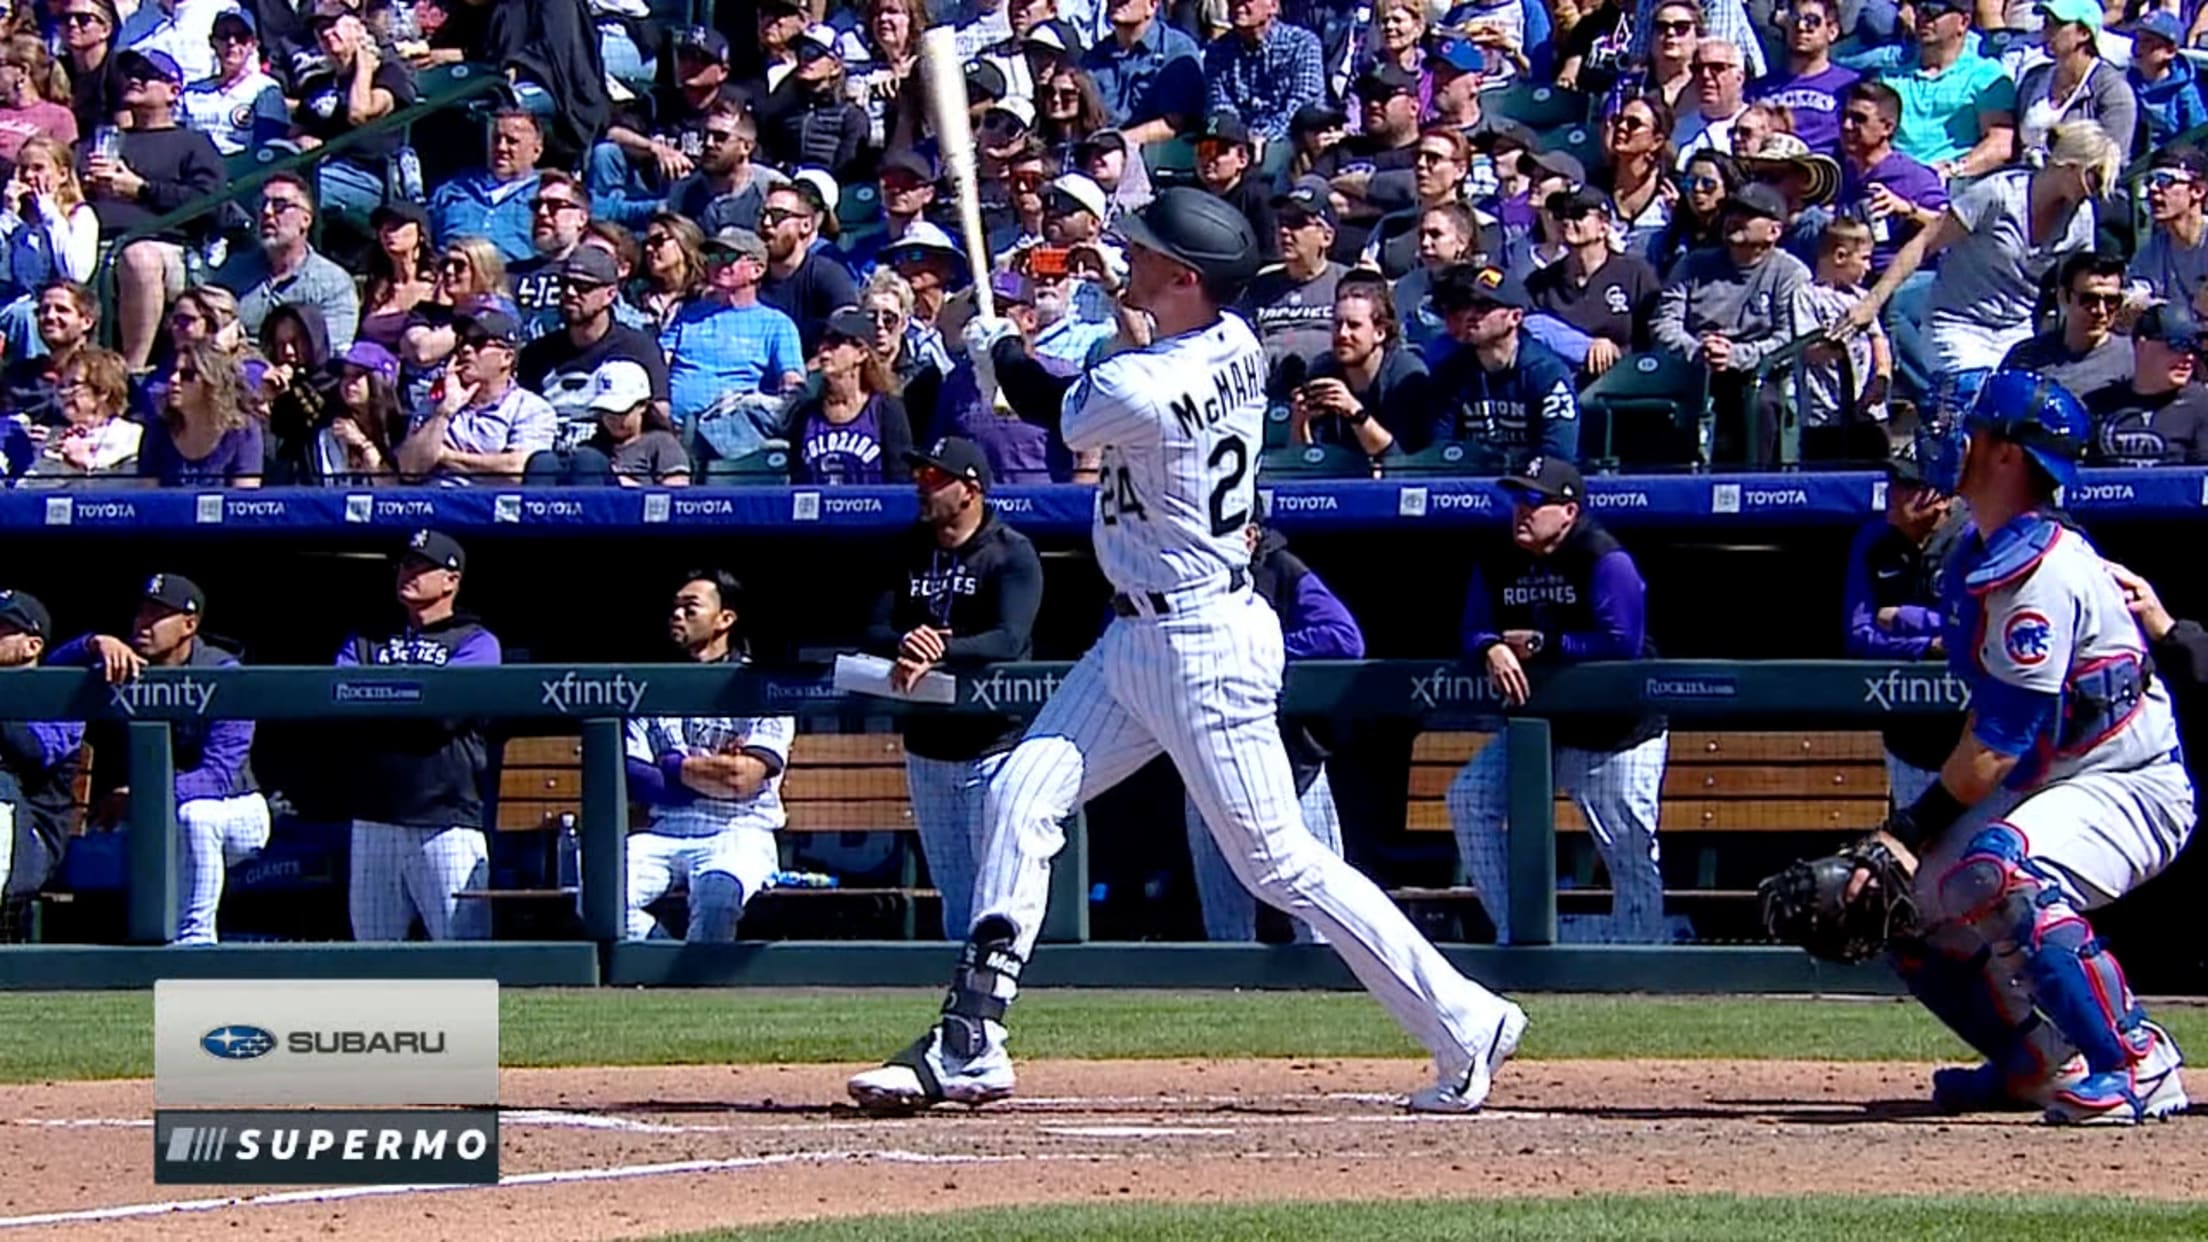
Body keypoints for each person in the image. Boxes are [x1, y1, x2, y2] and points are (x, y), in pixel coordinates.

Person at [846, 187, 1526, 1116]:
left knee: (1279, 864)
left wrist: (998, 348)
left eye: (1146, 253)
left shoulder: (1146, 383)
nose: (1129, 257)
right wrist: (1024, 346)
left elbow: (1052, 403)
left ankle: (1464, 1019)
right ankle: (972, 1036)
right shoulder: (1236, 343)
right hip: (1136, 635)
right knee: (1018, 795)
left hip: (1201, 641)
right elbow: (1106, 374)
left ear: (1185, 278)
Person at [1857, 371, 2191, 1124]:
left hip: (2130, 780)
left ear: (2009, 455)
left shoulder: (2039, 573)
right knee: (1898, 906)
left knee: (2001, 871)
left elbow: (1999, 744)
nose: (1956, 439)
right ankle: (2032, 1060)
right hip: (2059, 777)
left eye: (1975, 429)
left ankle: (2138, 1059)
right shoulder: (1982, 545)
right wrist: (1898, 857)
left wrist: (1903, 832)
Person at [1446, 455, 1669, 945]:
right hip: (1538, 730)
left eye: (1534, 501)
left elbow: (1622, 645)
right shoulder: (1498, 556)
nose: (1520, 512)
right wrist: (1489, 646)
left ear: (1568, 511)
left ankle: (1645, 956)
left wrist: (1550, 645)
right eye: (1516, 501)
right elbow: (1472, 627)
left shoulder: (1603, 556)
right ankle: (1516, 933)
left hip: (1616, 734)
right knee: (1469, 797)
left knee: (1628, 853)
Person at [863, 438, 1043, 937]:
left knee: (997, 894)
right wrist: (906, 640)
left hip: (993, 747)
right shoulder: (905, 549)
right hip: (927, 748)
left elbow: (1009, 638)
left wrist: (939, 648)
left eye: (935, 478)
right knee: (956, 897)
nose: (921, 486)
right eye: (919, 476)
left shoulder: (1009, 551)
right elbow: (872, 629)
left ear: (970, 490)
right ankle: (963, 1004)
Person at [50, 574, 267, 945]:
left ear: (189, 624)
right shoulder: (127, 663)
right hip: (157, 811)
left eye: (157, 614)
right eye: (141, 612)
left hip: (237, 811)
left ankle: (196, 942)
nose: (143, 623)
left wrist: (143, 794)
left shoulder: (224, 673)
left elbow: (216, 777)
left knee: (196, 816)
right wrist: (93, 643)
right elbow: (50, 673)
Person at [1182, 506, 1360, 943]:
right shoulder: (1184, 574)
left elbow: (1343, 637)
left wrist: (1263, 646)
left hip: (1291, 759)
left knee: (1321, 914)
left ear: (1252, 533)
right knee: (1226, 926)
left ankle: (1326, 991)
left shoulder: (1281, 568)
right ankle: (1227, 991)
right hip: (1209, 754)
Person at [1842, 123, 2114, 384]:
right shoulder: (1997, 194)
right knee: (1975, 397)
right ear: (2069, 164)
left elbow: (2081, 281)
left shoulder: (2082, 218)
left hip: (2017, 331)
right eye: (2095, 179)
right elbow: (1925, 243)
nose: (2099, 191)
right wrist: (1871, 303)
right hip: (1958, 324)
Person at [338, 530, 499, 942]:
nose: (408, 573)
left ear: (451, 579)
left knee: (463, 957)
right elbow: (342, 702)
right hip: (375, 818)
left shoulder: (476, 641)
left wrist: (381, 700)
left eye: (421, 566)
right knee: (373, 959)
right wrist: (409, 698)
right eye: (405, 564)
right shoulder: (366, 639)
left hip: (445, 820)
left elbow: (443, 715)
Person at [624, 570, 793, 942]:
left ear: (725, 620)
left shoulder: (762, 686)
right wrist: (708, 773)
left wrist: (671, 765)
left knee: (718, 899)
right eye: (675, 607)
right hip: (666, 830)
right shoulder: (654, 686)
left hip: (739, 828)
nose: (677, 615)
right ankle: (667, 965)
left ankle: (690, 987)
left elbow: (741, 779)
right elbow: (638, 777)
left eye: (691, 607)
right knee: (598, 898)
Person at [1653, 182, 1816, 462]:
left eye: (1748, 214)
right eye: (1731, 212)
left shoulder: (1790, 273)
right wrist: (1698, 350)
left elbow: (1790, 337)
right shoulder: (1692, 265)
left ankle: (1757, 489)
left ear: (1774, 231)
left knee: (1761, 405)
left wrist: (1736, 356)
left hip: (1759, 373)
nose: (1734, 220)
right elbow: (1664, 322)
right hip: (1693, 367)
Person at [88, 47, 225, 372]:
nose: (134, 79)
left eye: (147, 75)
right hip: (94, 242)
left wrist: (140, 189)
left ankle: (131, 372)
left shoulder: (193, 142)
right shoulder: (104, 141)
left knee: (139, 256)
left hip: (165, 247)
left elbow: (209, 203)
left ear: (174, 90)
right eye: (130, 74)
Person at [1842, 454, 1959, 808]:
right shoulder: (1874, 541)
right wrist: (1927, 646)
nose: (1894, 494)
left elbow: (1981, 628)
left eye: (1909, 486)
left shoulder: (1975, 540)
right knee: (1921, 856)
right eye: (1894, 484)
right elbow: (1859, 638)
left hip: (1977, 737)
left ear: (1942, 497)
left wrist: (1907, 618)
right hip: (1908, 742)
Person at [660, 226, 805, 455]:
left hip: (730, 431)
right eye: (714, 256)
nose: (719, 263)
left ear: (757, 269)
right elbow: (660, 364)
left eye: (728, 257)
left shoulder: (776, 324)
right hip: (671, 429)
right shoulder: (688, 315)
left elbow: (792, 385)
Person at [1425, 264, 1580, 463]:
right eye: (1465, 305)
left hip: (1532, 485)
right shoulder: (1451, 373)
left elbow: (1559, 453)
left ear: (1515, 317)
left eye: (1484, 307)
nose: (1471, 315)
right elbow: (1439, 449)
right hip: (1470, 485)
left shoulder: (1547, 373)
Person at [289, 2, 415, 222]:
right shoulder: (316, 82)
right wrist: (303, 139)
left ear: (358, 27)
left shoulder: (388, 73)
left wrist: (363, 67)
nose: (327, 33)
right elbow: (295, 132)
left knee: (293, 195)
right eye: (320, 30)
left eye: (333, 24)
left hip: (369, 175)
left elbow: (360, 114)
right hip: (320, 169)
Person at [0, 590, 81, 916]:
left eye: (2, 627)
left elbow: (33, 752)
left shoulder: (60, 700)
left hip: (32, 843)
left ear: (32, 645)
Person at [1525, 186, 1657, 380]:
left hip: (1625, 379)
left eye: (1578, 214)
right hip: (1564, 381)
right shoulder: (1541, 282)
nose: (1568, 222)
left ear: (1603, 225)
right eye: (1561, 215)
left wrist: (1612, 350)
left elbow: (1652, 334)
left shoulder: (1634, 272)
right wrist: (1588, 346)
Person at [225, 171, 361, 352]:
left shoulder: (333, 283)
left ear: (305, 220)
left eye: (280, 205)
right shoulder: (235, 270)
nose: (266, 212)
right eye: (262, 204)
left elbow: (330, 352)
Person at [1879, 0, 2013, 181]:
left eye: (1934, 11)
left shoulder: (1986, 75)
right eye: (1920, 9)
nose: (1924, 17)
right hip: (1894, 179)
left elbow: (1999, 145)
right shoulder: (1890, 78)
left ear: (1963, 22)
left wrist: (1951, 170)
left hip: (1956, 181)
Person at [1290, 278, 1429, 452]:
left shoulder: (1405, 375)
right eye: (1338, 324)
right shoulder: (1323, 370)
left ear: (1379, 333)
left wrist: (1355, 412)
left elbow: (1402, 459)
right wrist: (1300, 421)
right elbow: (1308, 459)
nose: (1342, 334)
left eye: (1354, 325)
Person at [785, 307, 915, 485]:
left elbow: (900, 479)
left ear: (861, 353)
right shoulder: (805, 415)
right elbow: (797, 480)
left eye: (835, 342)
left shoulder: (886, 410)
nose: (824, 350)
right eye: (822, 342)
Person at [1239, 180, 1345, 394]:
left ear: (1326, 236)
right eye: (1281, 221)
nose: (1285, 231)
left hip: (1327, 391)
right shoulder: (1260, 285)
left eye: (1297, 222)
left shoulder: (1347, 284)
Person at [0, 137, 99, 363]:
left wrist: (50, 212)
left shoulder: (80, 216)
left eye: (38, 168)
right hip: (8, 302)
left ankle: (39, 381)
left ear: (62, 175)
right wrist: (7, 217)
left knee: (26, 315)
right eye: (23, 169)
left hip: (52, 305)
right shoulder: (13, 217)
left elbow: (75, 273)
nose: (28, 176)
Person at [2082, 303, 2208, 467]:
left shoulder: (2202, 407)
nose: (2189, 358)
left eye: (2194, 347)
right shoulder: (2098, 405)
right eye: (2178, 345)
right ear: (2142, 346)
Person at [1998, 252, 2132, 400]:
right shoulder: (2025, 356)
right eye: (2088, 299)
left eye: (2111, 301)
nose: (2101, 310)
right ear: (2063, 296)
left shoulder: (2134, 360)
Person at [2011, 0, 2132, 161]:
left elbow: (2112, 160)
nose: (2046, 32)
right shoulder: (2034, 79)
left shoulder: (2112, 91)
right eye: (2045, 23)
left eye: (2056, 24)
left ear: (2084, 33)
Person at [429, 109, 545, 265]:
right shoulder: (454, 188)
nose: (501, 148)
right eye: (496, 139)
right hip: (454, 279)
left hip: (513, 282)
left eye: (512, 141)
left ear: (536, 150)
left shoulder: (547, 195)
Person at [142, 340, 265, 486]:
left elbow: (243, 501)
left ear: (211, 382)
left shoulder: (243, 432)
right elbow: (148, 497)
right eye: (173, 372)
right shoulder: (158, 430)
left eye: (187, 374)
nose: (174, 380)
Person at [758, 180, 859, 355]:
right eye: (763, 214)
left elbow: (852, 331)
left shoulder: (828, 275)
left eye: (778, 215)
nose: (767, 223)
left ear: (806, 225)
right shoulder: (750, 277)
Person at [16, 345, 141, 484]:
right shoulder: (56, 438)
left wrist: (86, 465)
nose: (63, 394)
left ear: (103, 391)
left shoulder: (132, 438)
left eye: (74, 384)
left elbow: (129, 496)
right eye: (62, 386)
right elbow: (30, 493)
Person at [1202, 0, 1323, 143]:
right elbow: (1218, 104)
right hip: (1236, 141)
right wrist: (1243, 137)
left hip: (1289, 141)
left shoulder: (1302, 44)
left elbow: (1301, 105)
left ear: (1273, 6)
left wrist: (1263, 137)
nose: (1237, 3)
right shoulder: (1216, 50)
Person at [1745, 0, 1855, 155]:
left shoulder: (1850, 86)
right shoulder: (1759, 88)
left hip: (1827, 171)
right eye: (1794, 19)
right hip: (1772, 168)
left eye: (1812, 21)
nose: (1801, 27)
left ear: (1832, 32)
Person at [180, 6, 284, 157]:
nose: (232, 42)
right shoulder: (191, 92)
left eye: (241, 36)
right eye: (224, 35)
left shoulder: (266, 89)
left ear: (254, 43)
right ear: (212, 42)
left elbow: (269, 146)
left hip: (244, 171)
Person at [2125, 146, 2208, 313]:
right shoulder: (2148, 256)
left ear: (2198, 191)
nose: (2153, 188)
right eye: (2149, 182)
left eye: (2165, 180)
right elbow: (2136, 293)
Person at [2128, 13, 2206, 153]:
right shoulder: (2127, 81)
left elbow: (2198, 135)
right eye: (2137, 39)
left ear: (2170, 51)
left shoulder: (2184, 92)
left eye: (2147, 41)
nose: (2138, 47)